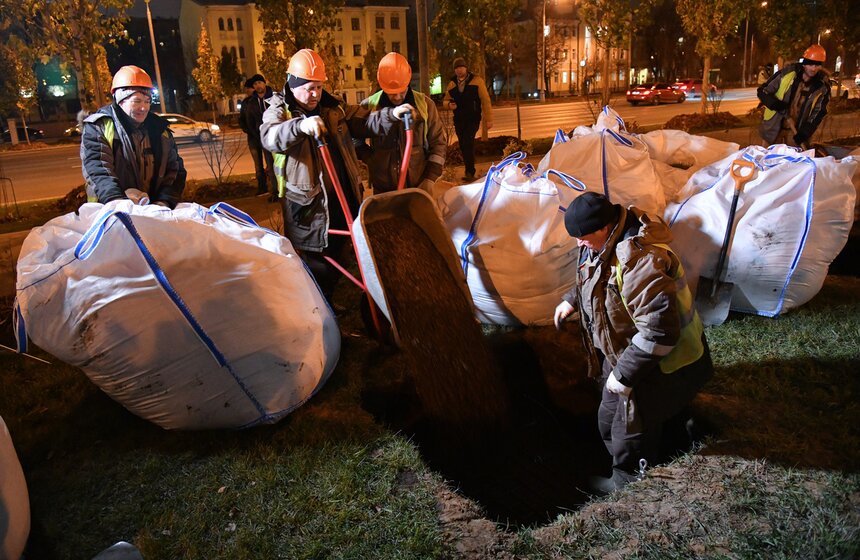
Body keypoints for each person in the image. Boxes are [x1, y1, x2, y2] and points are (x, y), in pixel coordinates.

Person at [553, 192, 714, 493]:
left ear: (603, 228)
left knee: (626, 430)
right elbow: (597, 276)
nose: (579, 244)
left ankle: (627, 483)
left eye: (583, 237)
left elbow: (658, 332)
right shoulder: (604, 241)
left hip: (665, 361)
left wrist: (623, 375)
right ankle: (683, 432)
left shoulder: (641, 262)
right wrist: (571, 300)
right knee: (616, 416)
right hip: (637, 353)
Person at [260, 49, 386, 300]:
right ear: (293, 85)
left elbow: (363, 121)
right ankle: (320, 316)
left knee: (340, 255)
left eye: (318, 87)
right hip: (310, 209)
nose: (315, 94)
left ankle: (331, 308)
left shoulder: (333, 108)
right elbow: (270, 136)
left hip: (342, 201)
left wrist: (390, 116)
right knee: (317, 268)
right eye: (309, 88)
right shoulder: (279, 111)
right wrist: (299, 126)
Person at [81, 65, 186, 207]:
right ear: (120, 100)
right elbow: (98, 169)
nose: (143, 108)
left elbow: (175, 170)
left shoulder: (160, 130)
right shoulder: (99, 126)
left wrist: (163, 202)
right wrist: (117, 202)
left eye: (147, 101)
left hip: (154, 214)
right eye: (137, 101)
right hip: (110, 213)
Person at [358, 52, 447, 194]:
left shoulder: (425, 105)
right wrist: (371, 159)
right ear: (382, 84)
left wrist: (430, 178)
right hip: (383, 190)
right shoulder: (369, 106)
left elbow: (438, 143)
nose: (398, 97)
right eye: (392, 93)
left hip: (418, 186)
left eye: (402, 91)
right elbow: (355, 138)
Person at [757, 44, 831, 148]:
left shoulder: (822, 87)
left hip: (796, 133)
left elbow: (819, 112)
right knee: (768, 160)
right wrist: (775, 104)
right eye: (810, 65)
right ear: (804, 64)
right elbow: (762, 91)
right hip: (773, 129)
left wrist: (805, 132)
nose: (813, 69)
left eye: (817, 65)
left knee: (794, 163)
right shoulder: (788, 73)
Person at [442, 57, 493, 182]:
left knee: (468, 142)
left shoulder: (476, 81)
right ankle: (468, 170)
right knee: (463, 145)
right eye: (457, 68)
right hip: (459, 119)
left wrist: (489, 119)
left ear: (466, 68)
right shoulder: (452, 83)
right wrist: (449, 105)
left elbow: (485, 100)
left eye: (461, 67)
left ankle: (470, 172)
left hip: (473, 118)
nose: (459, 70)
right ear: (455, 70)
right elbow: (445, 100)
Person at [240, 73, 277, 201]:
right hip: (259, 138)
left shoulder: (274, 98)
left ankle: (280, 191)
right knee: (264, 166)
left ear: (264, 83)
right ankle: (270, 190)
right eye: (255, 84)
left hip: (275, 137)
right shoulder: (251, 102)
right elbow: (248, 121)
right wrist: (256, 134)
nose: (258, 86)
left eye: (259, 83)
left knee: (277, 166)